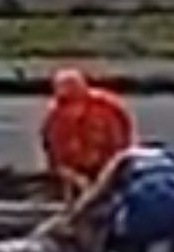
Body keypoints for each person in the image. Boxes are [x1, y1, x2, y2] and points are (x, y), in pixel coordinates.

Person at [41, 68, 137, 200]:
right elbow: (54, 155)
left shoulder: (108, 109)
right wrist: (74, 177)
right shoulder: (55, 117)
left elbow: (123, 143)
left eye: (74, 99)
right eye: (65, 102)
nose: (71, 108)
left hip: (108, 164)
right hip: (77, 171)